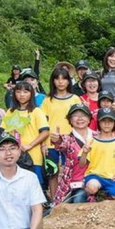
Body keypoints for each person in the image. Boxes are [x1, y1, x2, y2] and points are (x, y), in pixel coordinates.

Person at [42, 67, 82, 198]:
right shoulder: (48, 100)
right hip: (51, 141)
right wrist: (43, 143)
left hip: (71, 142)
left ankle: (68, 198)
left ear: (68, 81)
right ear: (53, 81)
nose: (60, 82)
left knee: (69, 170)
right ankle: (54, 200)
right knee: (53, 171)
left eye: (63, 78)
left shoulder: (75, 99)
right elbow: (42, 123)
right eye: (57, 78)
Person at [0, 81, 50, 185]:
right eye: (18, 91)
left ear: (31, 94)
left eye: (25, 92)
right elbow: (4, 132)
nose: (22, 95)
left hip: (33, 154)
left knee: (34, 184)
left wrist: (30, 145)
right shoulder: (10, 111)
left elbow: (45, 132)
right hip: (13, 154)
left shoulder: (36, 111)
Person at [79, 107, 115, 202]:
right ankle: (91, 194)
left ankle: (101, 194)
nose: (107, 124)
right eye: (103, 121)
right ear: (99, 122)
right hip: (94, 175)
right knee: (92, 187)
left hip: (111, 176)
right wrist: (84, 153)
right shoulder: (91, 141)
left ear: (114, 123)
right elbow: (82, 164)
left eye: (110, 121)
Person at [50, 104, 93, 205]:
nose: (79, 118)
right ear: (70, 120)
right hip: (74, 183)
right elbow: (61, 143)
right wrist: (56, 139)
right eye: (75, 115)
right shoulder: (68, 139)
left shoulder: (97, 136)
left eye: (83, 115)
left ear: (89, 119)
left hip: (95, 180)